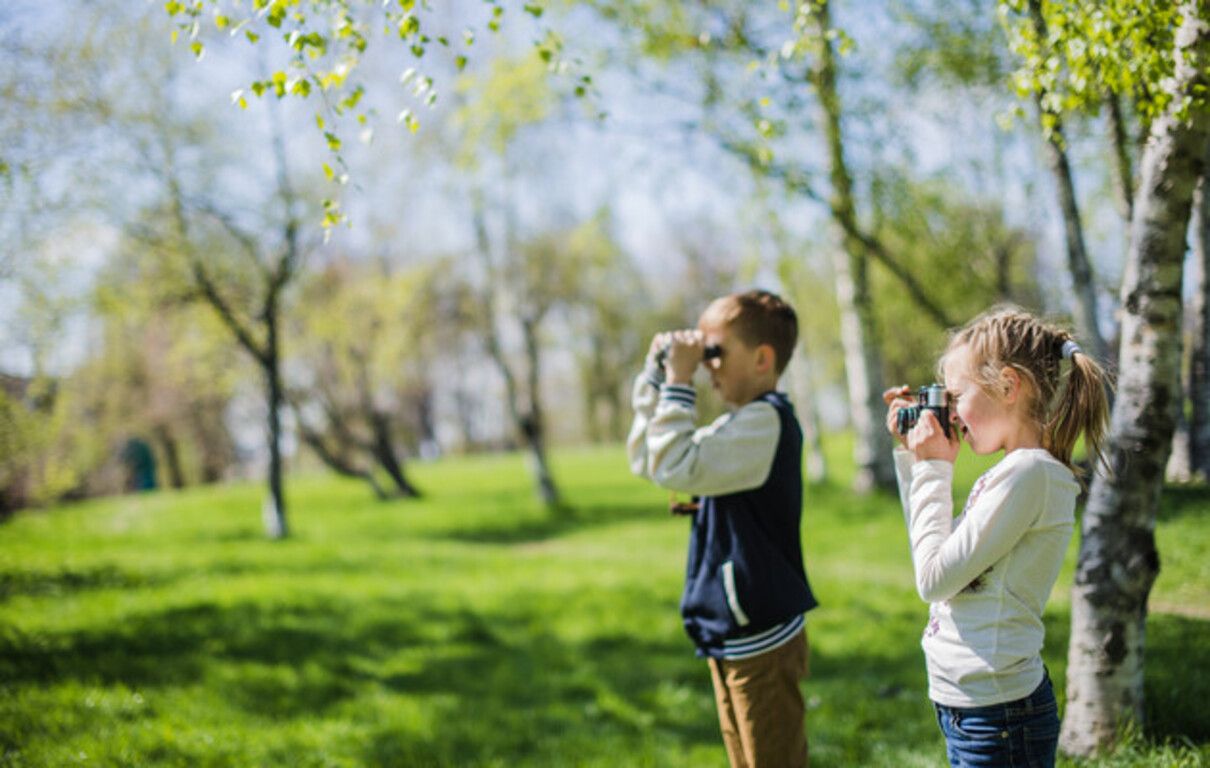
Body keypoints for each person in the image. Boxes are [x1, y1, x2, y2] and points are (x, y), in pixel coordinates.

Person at [883, 305, 1110, 768]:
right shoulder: (1015, 473)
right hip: (975, 709)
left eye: (956, 395)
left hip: (998, 716)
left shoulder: (1030, 475)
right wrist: (916, 460)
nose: (951, 412)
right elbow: (933, 552)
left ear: (1008, 385)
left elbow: (933, 580)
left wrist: (932, 467)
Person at [628, 289, 817, 768]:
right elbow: (650, 458)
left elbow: (673, 462)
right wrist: (656, 378)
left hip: (761, 636)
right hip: (733, 629)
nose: (706, 366)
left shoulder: (766, 423)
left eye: (714, 353)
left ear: (761, 359)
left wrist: (678, 381)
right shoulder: (738, 426)